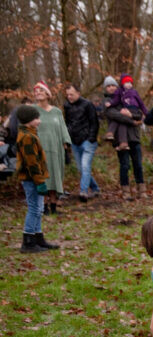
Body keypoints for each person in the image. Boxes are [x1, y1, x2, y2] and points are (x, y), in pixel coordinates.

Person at [14, 105, 58, 253]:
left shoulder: (31, 134)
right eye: (36, 118)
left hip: (35, 178)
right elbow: (31, 162)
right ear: (28, 120)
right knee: (34, 208)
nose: (39, 121)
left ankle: (38, 237)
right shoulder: (27, 137)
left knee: (38, 209)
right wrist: (39, 181)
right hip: (31, 178)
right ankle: (28, 241)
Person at [32, 81, 71, 215]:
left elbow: (63, 128)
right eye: (36, 91)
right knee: (43, 178)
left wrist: (66, 144)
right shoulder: (32, 110)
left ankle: (54, 205)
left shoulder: (57, 112)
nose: (38, 93)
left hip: (55, 149)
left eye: (41, 90)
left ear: (47, 94)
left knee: (54, 176)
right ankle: (44, 207)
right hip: (39, 149)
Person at [103, 76, 145, 200]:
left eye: (113, 85)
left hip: (134, 137)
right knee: (124, 165)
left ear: (118, 87)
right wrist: (132, 121)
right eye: (108, 86)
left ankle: (141, 190)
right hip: (120, 140)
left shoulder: (128, 98)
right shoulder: (107, 103)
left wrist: (131, 114)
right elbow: (115, 116)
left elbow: (139, 114)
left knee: (138, 164)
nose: (111, 88)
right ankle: (125, 191)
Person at [64, 83, 101, 201]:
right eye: (68, 95)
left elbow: (94, 122)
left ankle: (83, 191)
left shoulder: (87, 105)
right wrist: (67, 139)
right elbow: (68, 123)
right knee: (81, 168)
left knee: (85, 166)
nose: (69, 97)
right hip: (75, 141)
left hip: (88, 141)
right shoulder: (66, 106)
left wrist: (91, 138)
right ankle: (95, 188)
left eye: (72, 94)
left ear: (78, 94)